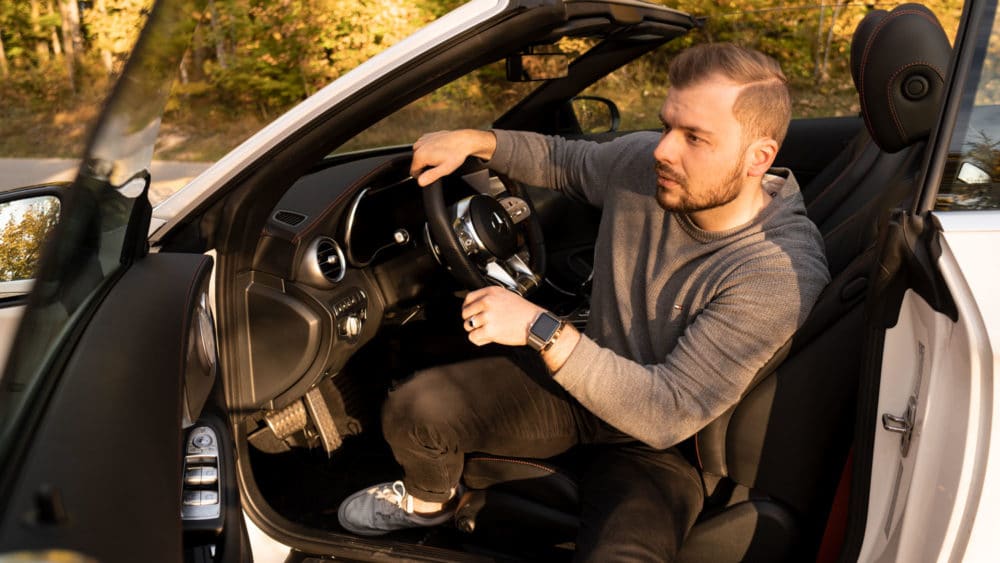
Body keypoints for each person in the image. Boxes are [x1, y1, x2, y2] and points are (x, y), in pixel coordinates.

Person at [337, 42, 830, 560]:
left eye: (694, 138)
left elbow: (667, 412)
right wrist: (474, 140)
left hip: (668, 447)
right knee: (416, 408)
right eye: (667, 126)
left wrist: (538, 327)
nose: (663, 149)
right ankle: (430, 502)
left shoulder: (776, 271)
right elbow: (563, 160)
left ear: (759, 158)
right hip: (585, 381)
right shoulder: (649, 168)